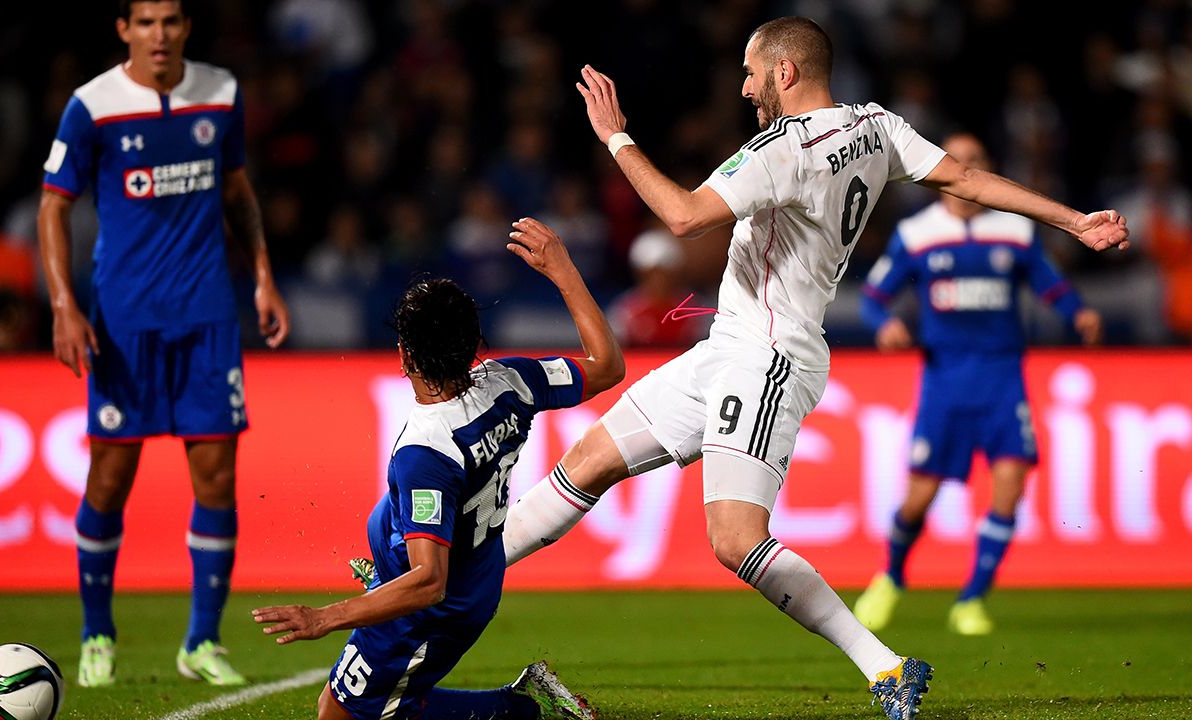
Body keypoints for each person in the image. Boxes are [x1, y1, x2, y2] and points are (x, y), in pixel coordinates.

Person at [498, 16, 1128, 720]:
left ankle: (883, 665)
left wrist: (615, 135)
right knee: (588, 459)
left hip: (768, 355)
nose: (743, 87)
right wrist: (1072, 219)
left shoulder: (782, 147)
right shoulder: (877, 125)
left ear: (785, 73)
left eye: (750, 72)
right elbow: (968, 178)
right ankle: (456, 577)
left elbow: (680, 216)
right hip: (728, 349)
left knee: (735, 539)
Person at [252, 217, 623, 720]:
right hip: (476, 566)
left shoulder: (426, 453)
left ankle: (518, 711)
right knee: (354, 705)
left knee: (344, 717)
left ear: (403, 358)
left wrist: (325, 617)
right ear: (474, 349)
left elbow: (429, 581)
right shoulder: (511, 381)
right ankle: (511, 700)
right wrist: (563, 272)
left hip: (430, 611)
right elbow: (607, 366)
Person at [37, 0, 290, 688]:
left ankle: (202, 642)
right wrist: (63, 306)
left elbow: (236, 189)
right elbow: (52, 205)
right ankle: (97, 634)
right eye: (145, 22)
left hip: (207, 318)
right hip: (124, 324)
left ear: (186, 27)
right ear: (122, 28)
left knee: (216, 479)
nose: (159, 34)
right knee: (109, 481)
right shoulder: (92, 106)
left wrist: (263, 278)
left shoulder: (222, 91)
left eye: (171, 21)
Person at [850, 132, 1104, 637]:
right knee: (919, 498)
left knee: (1010, 485)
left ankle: (971, 597)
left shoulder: (1014, 231)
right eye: (956, 161)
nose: (963, 170)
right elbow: (872, 297)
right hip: (945, 381)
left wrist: (1079, 314)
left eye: (974, 160)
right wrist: (883, 323)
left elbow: (1049, 283)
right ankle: (892, 576)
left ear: (986, 170)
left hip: (1002, 378)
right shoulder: (918, 234)